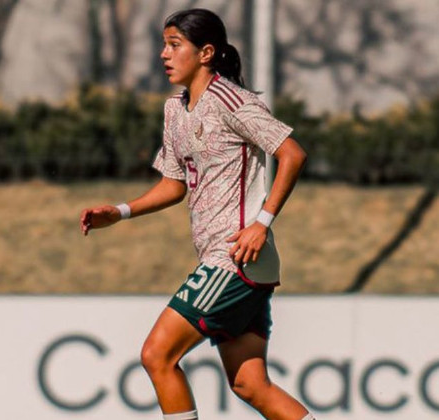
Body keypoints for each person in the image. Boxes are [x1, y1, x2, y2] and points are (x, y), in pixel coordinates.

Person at [79, 8, 315, 420]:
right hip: (233, 261)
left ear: (206, 53)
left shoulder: (231, 100)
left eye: (174, 45)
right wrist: (120, 212)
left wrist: (261, 223)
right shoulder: (175, 109)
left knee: (157, 355)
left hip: (234, 258)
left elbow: (292, 154)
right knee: (250, 385)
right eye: (164, 44)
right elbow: (174, 184)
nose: (164, 54)